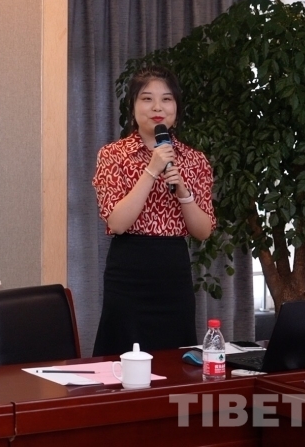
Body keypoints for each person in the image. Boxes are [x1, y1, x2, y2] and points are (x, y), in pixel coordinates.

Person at [92, 65, 216, 356]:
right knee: (123, 358)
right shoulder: (113, 155)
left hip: (173, 271)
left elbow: (203, 231)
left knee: (174, 360)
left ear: (177, 108)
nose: (157, 107)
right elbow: (118, 223)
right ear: (133, 107)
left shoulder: (194, 159)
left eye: (166, 99)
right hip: (129, 270)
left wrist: (183, 191)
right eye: (147, 99)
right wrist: (151, 169)